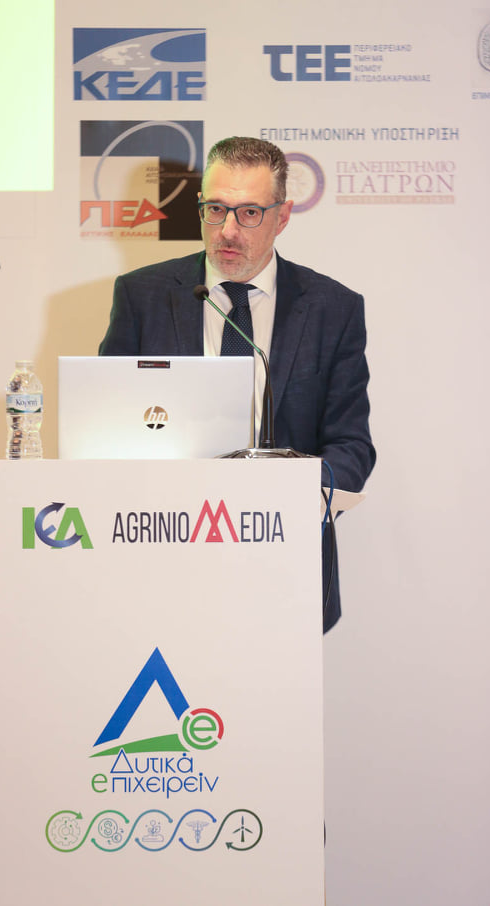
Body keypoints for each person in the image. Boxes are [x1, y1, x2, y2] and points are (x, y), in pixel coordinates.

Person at [99, 136, 375, 631]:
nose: (227, 230)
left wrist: (294, 496)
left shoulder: (333, 309)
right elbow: (105, 425)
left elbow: (351, 444)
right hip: (163, 548)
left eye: (249, 213)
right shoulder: (142, 296)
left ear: (282, 216)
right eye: (215, 210)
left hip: (283, 559)